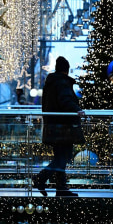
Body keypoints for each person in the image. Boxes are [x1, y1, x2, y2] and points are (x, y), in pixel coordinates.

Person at [32, 56, 85, 197]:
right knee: (63, 157)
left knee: (60, 157)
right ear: (66, 70)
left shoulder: (51, 83)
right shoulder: (62, 82)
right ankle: (41, 178)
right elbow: (65, 100)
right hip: (63, 129)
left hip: (53, 127)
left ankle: (61, 188)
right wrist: (77, 109)